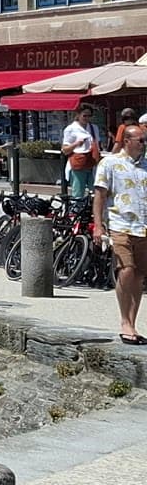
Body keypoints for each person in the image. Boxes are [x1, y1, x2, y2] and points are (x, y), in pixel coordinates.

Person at [92, 124, 147, 344]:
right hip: (120, 225)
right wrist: (98, 225)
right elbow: (100, 196)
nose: (144, 144)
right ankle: (124, 321)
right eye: (140, 140)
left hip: (143, 226)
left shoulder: (145, 165)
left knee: (140, 275)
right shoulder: (110, 163)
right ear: (127, 141)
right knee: (126, 270)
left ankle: (132, 324)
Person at [62, 104, 103, 201]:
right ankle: (76, 212)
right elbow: (65, 150)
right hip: (78, 164)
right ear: (78, 115)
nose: (87, 118)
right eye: (84, 115)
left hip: (92, 163)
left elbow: (97, 144)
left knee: (96, 191)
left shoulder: (94, 128)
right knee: (78, 193)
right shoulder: (70, 129)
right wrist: (76, 144)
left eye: (89, 116)